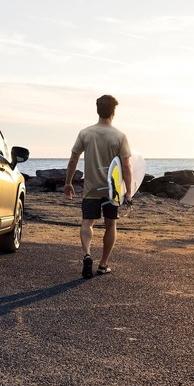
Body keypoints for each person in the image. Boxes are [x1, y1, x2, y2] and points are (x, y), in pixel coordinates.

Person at [65, 95, 132, 279]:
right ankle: (103, 264)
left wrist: (68, 182)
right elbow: (126, 166)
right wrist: (128, 191)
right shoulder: (119, 136)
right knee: (111, 225)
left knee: (87, 222)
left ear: (97, 110)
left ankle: (87, 254)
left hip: (91, 188)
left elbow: (73, 159)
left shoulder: (85, 133)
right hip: (113, 191)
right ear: (113, 111)